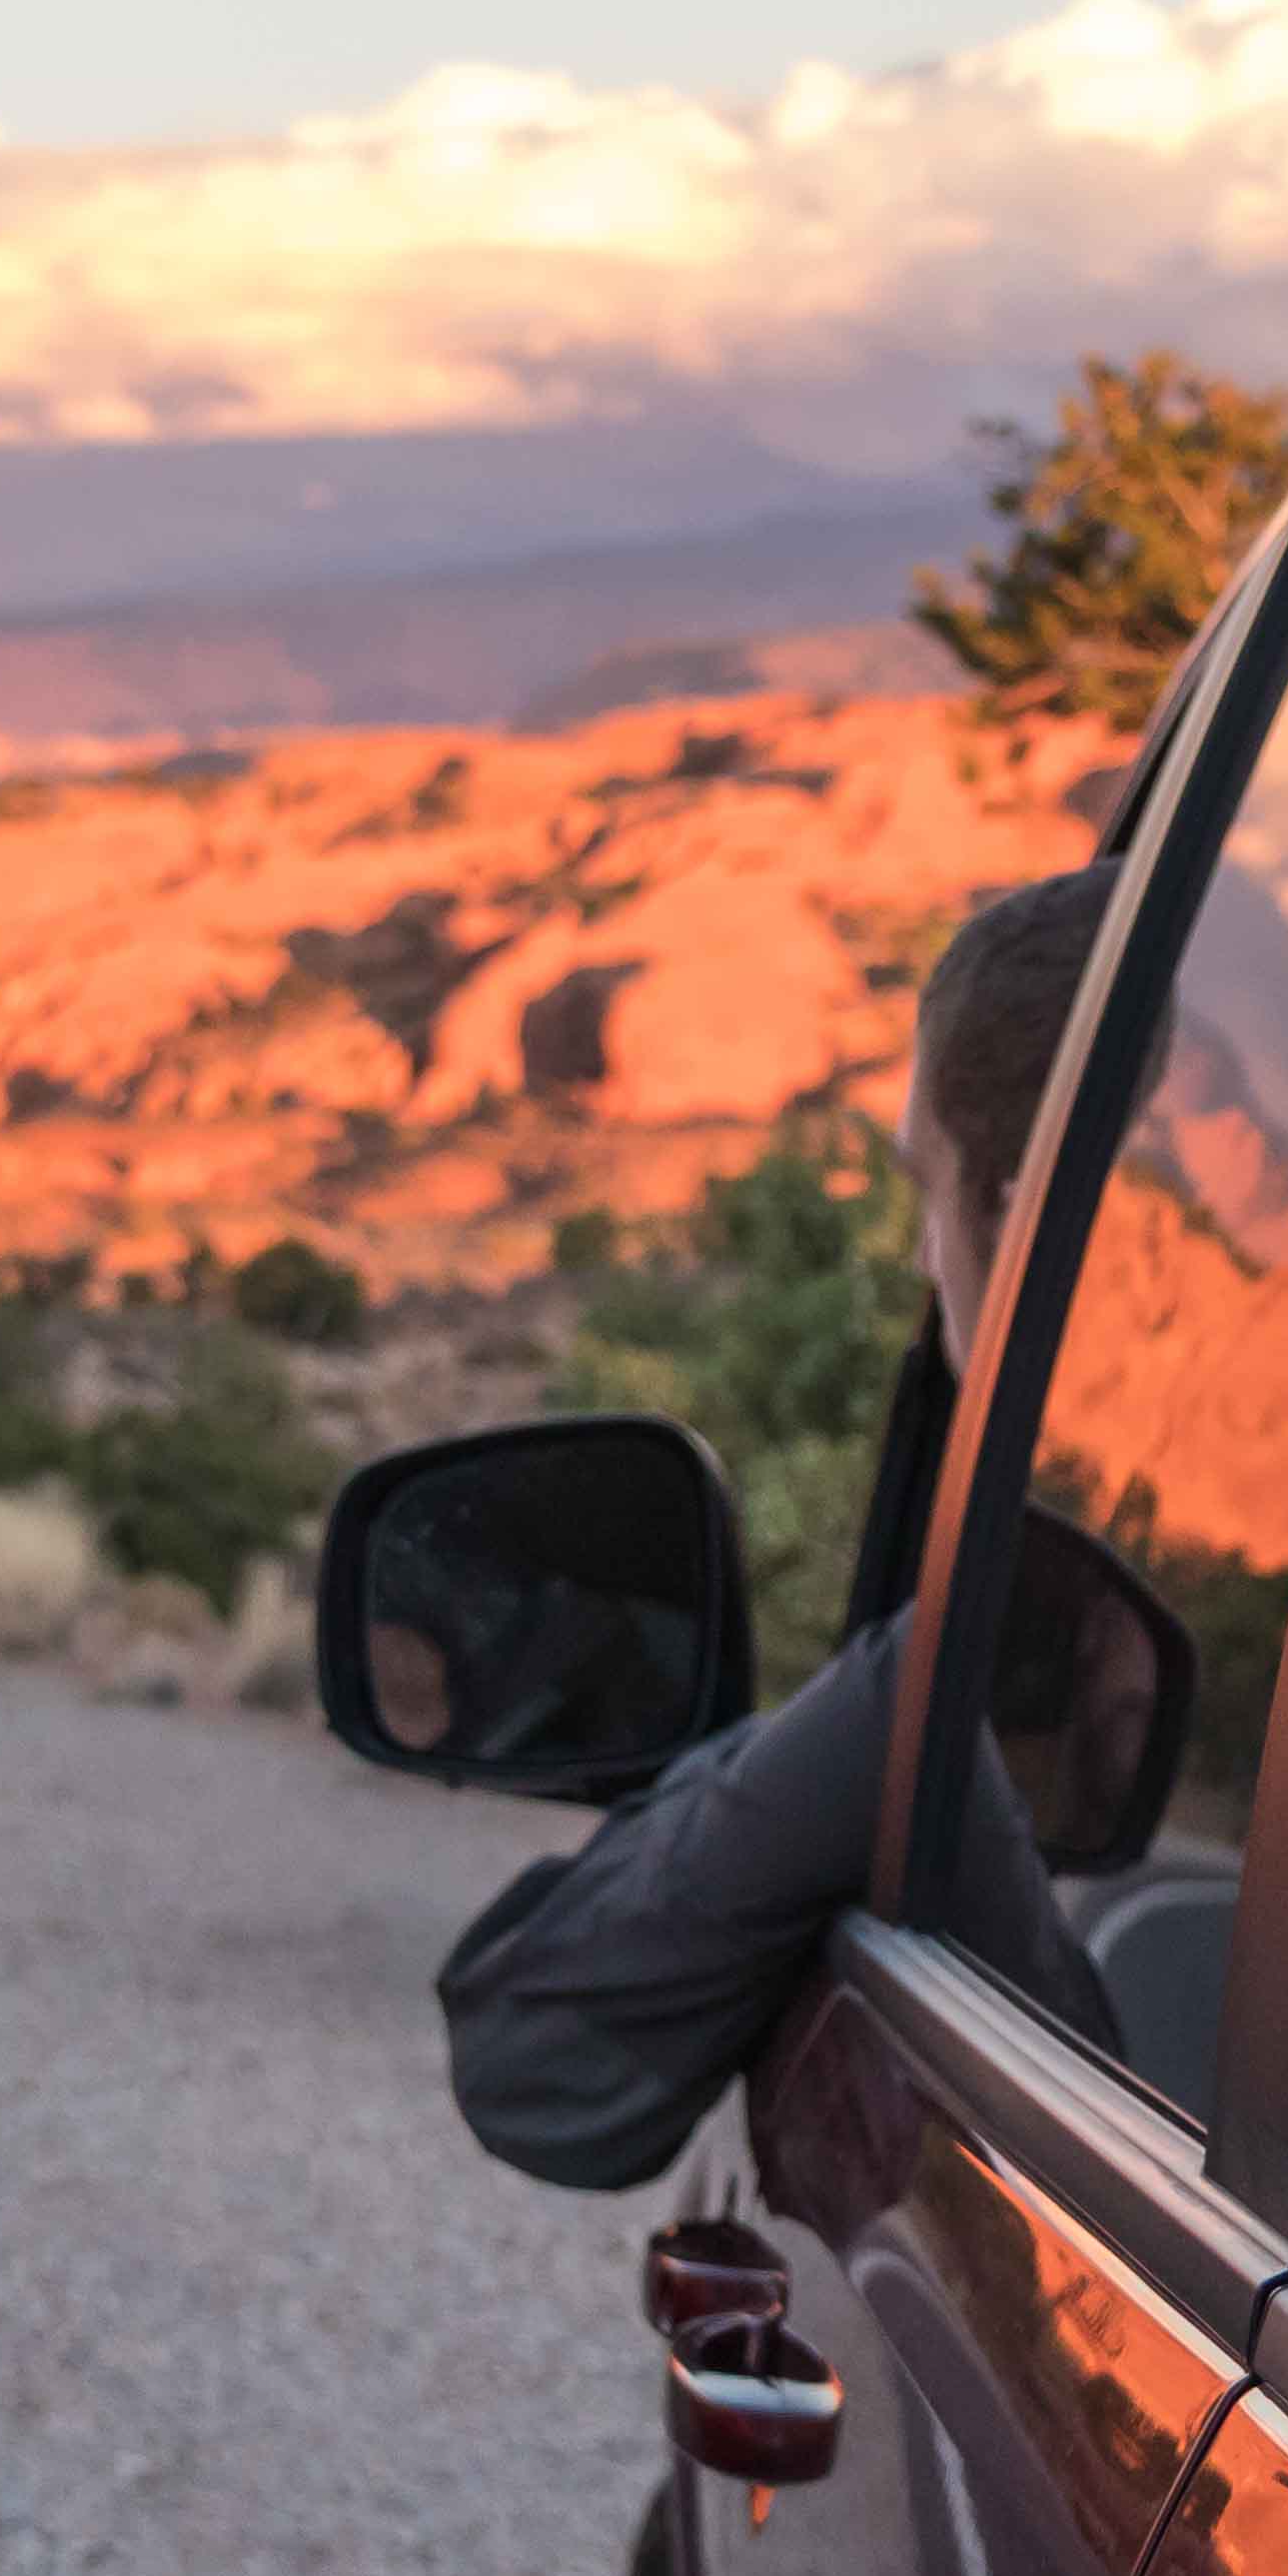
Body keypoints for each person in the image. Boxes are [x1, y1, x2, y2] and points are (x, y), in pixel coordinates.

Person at [434, 859, 1131, 2190]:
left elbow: (531, 2060)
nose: (929, 1270)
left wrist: (801, 1747)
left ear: (1018, 1219)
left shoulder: (933, 1698)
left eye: (928, 1189)